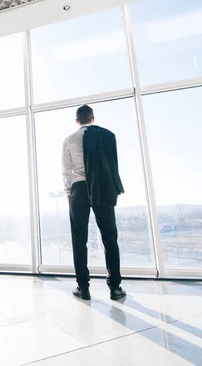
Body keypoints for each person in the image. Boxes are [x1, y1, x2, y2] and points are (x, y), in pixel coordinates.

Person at [61, 104, 126, 301]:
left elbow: (66, 170)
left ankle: (83, 287)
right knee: (109, 237)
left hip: (79, 189)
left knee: (79, 239)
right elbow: (114, 164)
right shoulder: (109, 135)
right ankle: (115, 288)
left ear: (76, 120)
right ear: (93, 118)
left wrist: (68, 191)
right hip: (103, 187)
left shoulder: (69, 140)